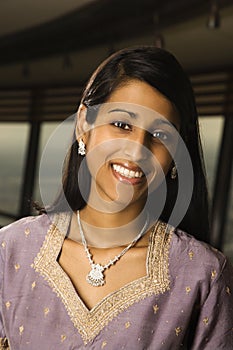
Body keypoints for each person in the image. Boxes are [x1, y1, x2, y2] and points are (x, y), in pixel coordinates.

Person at [0, 46, 233, 350]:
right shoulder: (11, 250)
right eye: (122, 125)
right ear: (84, 125)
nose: (137, 151)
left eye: (161, 135)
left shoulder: (203, 274)